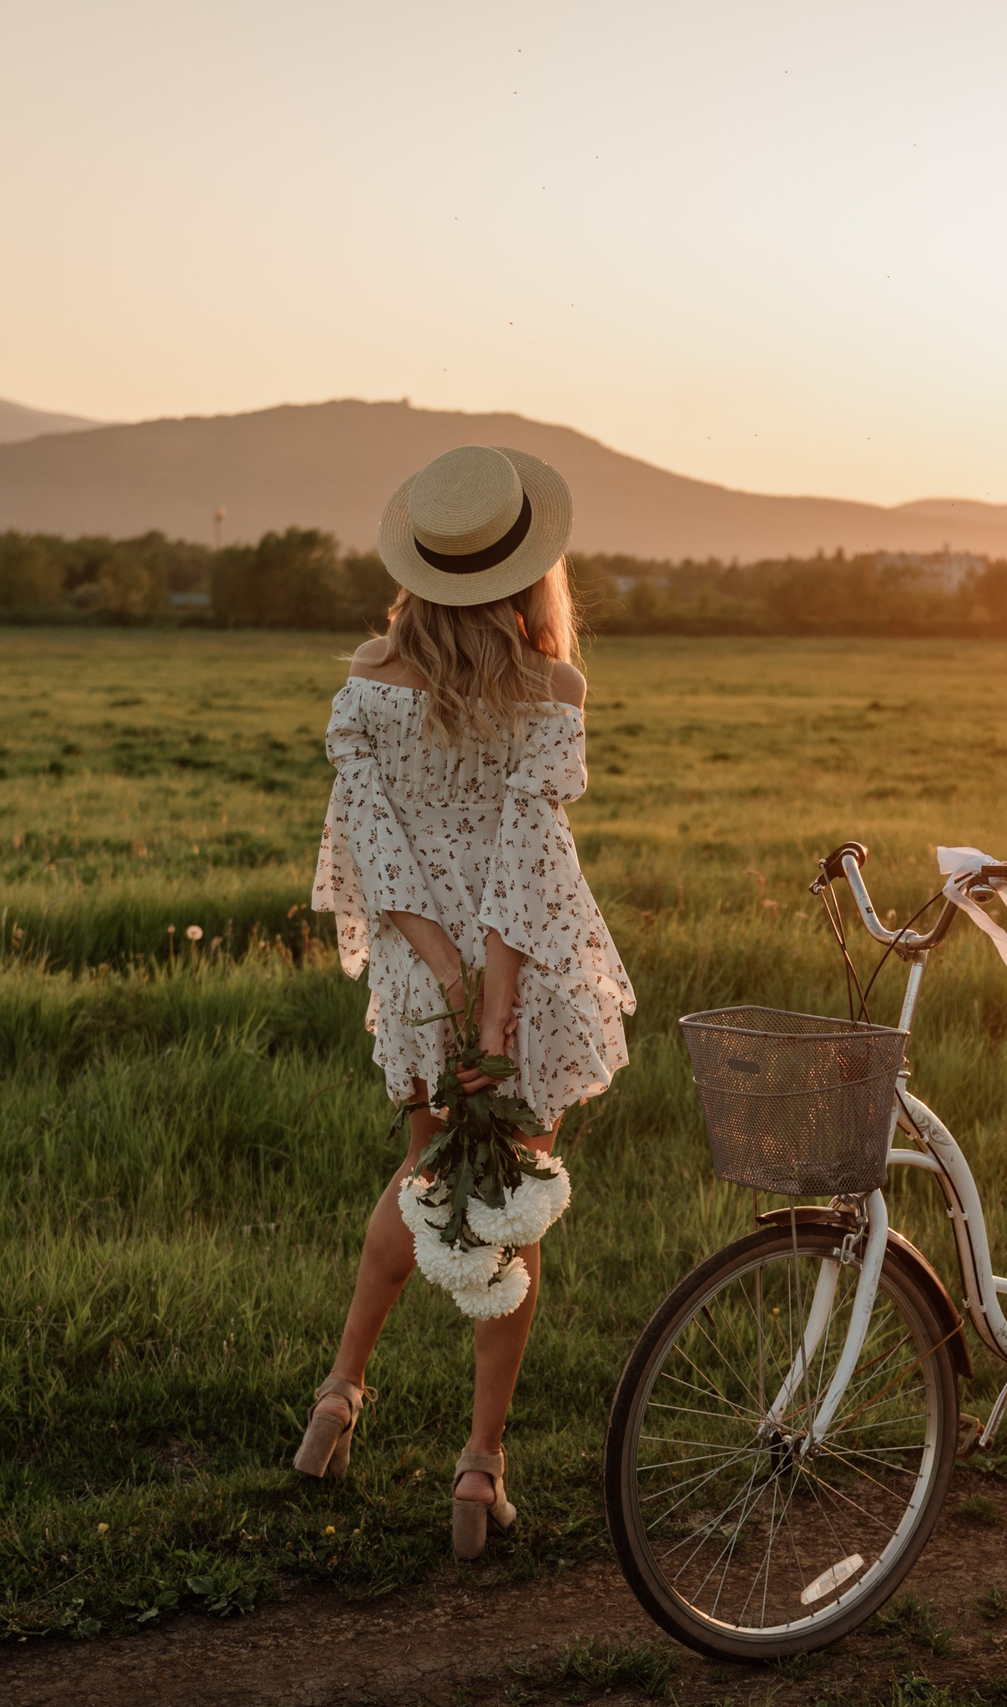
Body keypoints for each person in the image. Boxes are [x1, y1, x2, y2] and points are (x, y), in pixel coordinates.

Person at [292, 445, 634, 1560]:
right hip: (519, 980)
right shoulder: (551, 692)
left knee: (421, 1168)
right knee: (508, 1210)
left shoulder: (365, 680)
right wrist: (490, 1014)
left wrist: (436, 980)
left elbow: (371, 848)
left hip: (414, 966)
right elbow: (526, 874)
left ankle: (339, 1393)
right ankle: (478, 1469)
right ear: (530, 569)